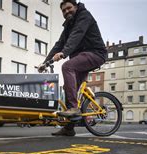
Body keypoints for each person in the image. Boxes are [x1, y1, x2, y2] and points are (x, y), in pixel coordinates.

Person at [38, 0, 107, 137]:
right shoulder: (68, 25)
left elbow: (78, 34)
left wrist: (65, 52)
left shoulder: (84, 16)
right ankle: (69, 128)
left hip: (95, 53)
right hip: (82, 56)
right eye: (63, 11)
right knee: (69, 89)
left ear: (75, 6)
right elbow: (59, 44)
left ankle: (74, 109)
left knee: (67, 66)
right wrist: (45, 63)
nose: (66, 12)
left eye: (69, 8)